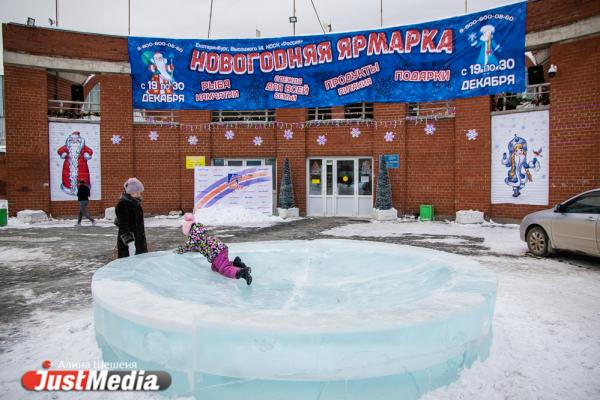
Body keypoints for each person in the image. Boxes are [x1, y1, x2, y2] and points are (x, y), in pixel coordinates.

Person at [176, 213, 252, 285]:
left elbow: (188, 247)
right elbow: (200, 245)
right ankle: (236, 264)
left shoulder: (193, 237)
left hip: (216, 253)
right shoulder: (200, 232)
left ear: (188, 231)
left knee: (223, 269)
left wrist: (180, 250)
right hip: (220, 248)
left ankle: (240, 272)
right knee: (214, 267)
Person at [115, 178, 148, 258]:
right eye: (136, 192)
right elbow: (123, 224)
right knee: (129, 267)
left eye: (139, 192)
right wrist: (130, 242)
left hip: (139, 240)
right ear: (130, 192)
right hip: (129, 244)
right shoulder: (123, 204)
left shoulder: (135, 203)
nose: (139, 194)